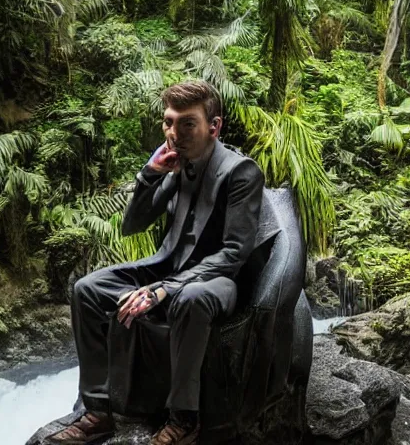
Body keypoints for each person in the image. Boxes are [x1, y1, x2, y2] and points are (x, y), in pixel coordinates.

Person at [49, 80, 265, 445]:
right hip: (167, 266)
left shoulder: (241, 172)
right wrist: (151, 173)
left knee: (190, 298)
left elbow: (234, 253)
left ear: (215, 127)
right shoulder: (178, 165)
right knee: (87, 290)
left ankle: (183, 420)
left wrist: (165, 289)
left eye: (187, 124)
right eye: (168, 122)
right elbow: (133, 225)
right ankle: (98, 411)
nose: (173, 134)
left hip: (218, 279)